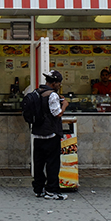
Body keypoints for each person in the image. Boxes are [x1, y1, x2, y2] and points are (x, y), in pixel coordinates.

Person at [32, 70, 69, 200]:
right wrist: (64, 105)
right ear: (54, 83)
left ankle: (38, 189)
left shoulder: (37, 92)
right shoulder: (52, 95)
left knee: (38, 163)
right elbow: (57, 113)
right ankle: (51, 191)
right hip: (51, 134)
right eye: (59, 83)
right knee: (52, 164)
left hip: (38, 134)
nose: (59, 85)